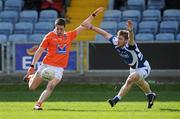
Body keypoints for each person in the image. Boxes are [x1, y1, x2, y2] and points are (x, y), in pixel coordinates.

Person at [23, 7, 104, 110]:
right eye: (58, 29)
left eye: (61, 29)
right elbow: (39, 51)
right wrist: (32, 66)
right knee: (32, 87)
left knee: (51, 86)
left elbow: (83, 25)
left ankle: (38, 104)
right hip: (46, 65)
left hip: (59, 68)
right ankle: (31, 77)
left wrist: (94, 14)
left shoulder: (69, 36)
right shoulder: (49, 36)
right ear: (55, 27)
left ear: (64, 28)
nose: (59, 31)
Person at [81, 20, 156, 108]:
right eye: (118, 38)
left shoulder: (130, 45)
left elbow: (131, 39)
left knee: (130, 79)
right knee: (140, 83)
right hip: (133, 68)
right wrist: (91, 27)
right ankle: (150, 95)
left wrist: (130, 31)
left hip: (143, 67)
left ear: (126, 40)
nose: (118, 40)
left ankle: (115, 100)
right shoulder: (116, 42)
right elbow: (105, 34)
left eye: (120, 39)